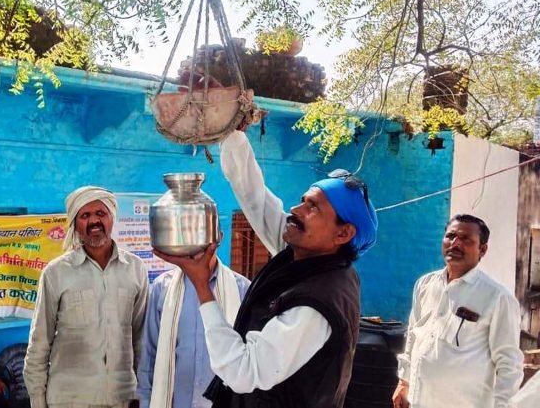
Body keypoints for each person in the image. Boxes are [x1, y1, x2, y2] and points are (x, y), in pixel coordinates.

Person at [154, 129, 378, 408]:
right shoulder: (304, 257)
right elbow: (255, 198)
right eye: (303, 200)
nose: (296, 210)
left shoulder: (317, 303)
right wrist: (230, 130)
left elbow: (243, 372)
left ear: (343, 234)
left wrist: (202, 286)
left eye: (313, 208)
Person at [23, 186, 149, 408]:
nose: (94, 221)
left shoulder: (136, 269)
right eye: (85, 215)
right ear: (75, 224)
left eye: (101, 213)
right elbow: (39, 342)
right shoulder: (56, 272)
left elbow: (141, 338)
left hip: (123, 395)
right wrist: (37, 399)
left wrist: (143, 392)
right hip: (69, 398)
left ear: (112, 219)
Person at [393, 214, 524, 408]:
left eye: (466, 239)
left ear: (483, 249)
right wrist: (404, 382)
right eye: (451, 236)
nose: (455, 244)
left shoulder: (497, 298)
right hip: (419, 401)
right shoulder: (425, 285)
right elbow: (413, 335)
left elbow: (509, 364)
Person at [136, 236, 250, 408]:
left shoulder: (242, 289)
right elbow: (150, 353)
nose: (196, 244)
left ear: (218, 237)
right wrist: (146, 402)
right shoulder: (163, 288)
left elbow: (248, 361)